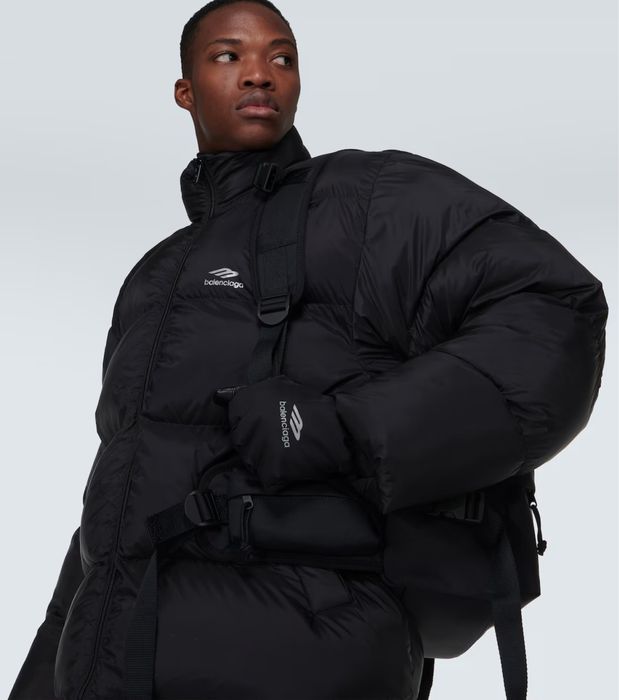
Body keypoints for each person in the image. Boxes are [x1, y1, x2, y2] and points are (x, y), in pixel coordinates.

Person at [9, 1, 608, 699]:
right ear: (185, 91)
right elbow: (113, 511)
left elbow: (552, 308)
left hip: (303, 654)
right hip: (119, 665)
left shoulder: (363, 200)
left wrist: (344, 427)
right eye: (229, 55)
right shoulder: (153, 278)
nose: (259, 74)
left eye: (281, 58)